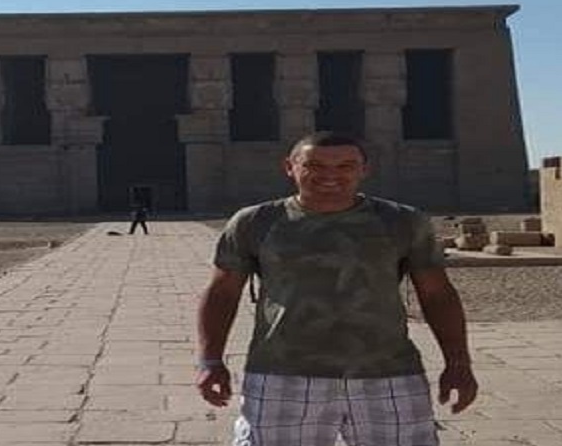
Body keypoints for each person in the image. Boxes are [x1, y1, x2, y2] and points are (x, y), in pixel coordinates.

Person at [195, 132, 477, 446]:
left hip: (387, 373)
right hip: (283, 373)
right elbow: (222, 293)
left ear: (363, 170)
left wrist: (458, 364)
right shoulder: (256, 222)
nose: (331, 175)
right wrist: (210, 361)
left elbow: (437, 294)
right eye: (314, 165)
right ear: (290, 167)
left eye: (346, 165)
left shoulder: (401, 221)